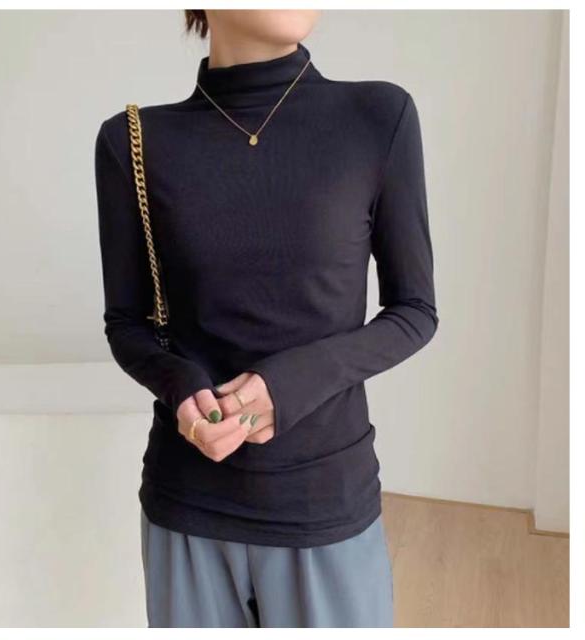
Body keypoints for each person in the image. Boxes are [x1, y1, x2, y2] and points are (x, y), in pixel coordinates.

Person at [94, 8, 438, 628]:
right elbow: (127, 322)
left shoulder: (378, 117)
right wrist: (183, 388)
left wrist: (287, 385)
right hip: (187, 506)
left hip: (324, 500)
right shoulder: (132, 141)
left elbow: (414, 311)